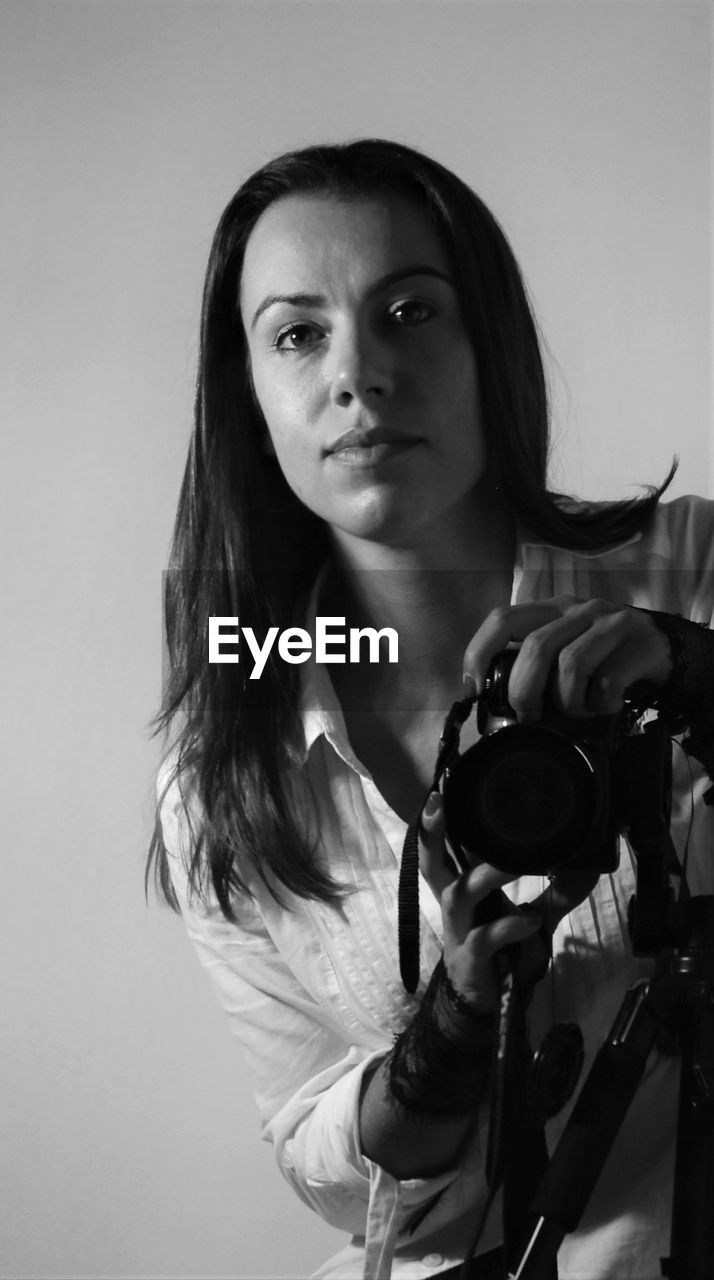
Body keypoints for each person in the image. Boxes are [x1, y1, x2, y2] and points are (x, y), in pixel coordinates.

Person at [148, 139, 714, 1280]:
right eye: (297, 332)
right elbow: (319, 1160)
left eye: (409, 310)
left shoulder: (686, 566)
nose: (357, 374)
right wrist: (445, 1038)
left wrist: (691, 668)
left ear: (486, 341)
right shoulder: (226, 782)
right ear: (249, 392)